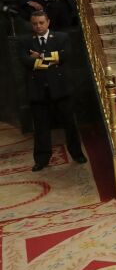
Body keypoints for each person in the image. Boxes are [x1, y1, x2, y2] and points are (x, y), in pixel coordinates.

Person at [21, 11, 86, 170]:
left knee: (69, 124)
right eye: (35, 23)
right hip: (38, 90)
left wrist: (40, 56)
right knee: (41, 127)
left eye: (41, 22)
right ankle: (41, 159)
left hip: (60, 88)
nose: (38, 26)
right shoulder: (25, 41)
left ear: (48, 22)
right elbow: (25, 61)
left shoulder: (61, 37)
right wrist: (52, 59)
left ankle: (77, 153)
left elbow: (65, 56)